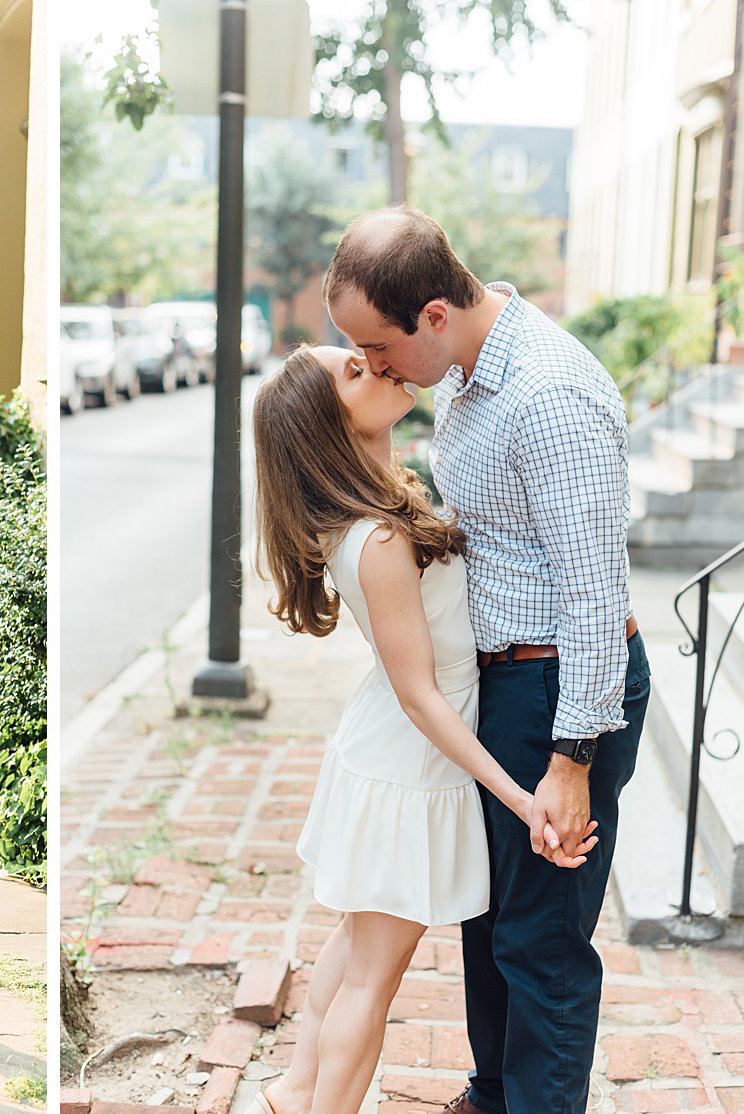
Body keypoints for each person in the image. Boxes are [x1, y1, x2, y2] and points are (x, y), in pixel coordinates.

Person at [321, 207, 651, 1114]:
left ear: (433, 313)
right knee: (490, 918)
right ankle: (495, 1092)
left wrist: (570, 759)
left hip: (561, 688)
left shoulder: (551, 396)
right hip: (504, 681)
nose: (376, 367)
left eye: (378, 348)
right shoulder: (464, 375)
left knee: (542, 939)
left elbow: (591, 594)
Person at [246, 346, 594, 1114]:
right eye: (357, 372)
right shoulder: (377, 538)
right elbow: (421, 697)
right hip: (409, 760)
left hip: (385, 749)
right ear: (330, 422)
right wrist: (517, 795)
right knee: (376, 974)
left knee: (355, 938)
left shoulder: (377, 504)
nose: (377, 364)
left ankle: (295, 1088)